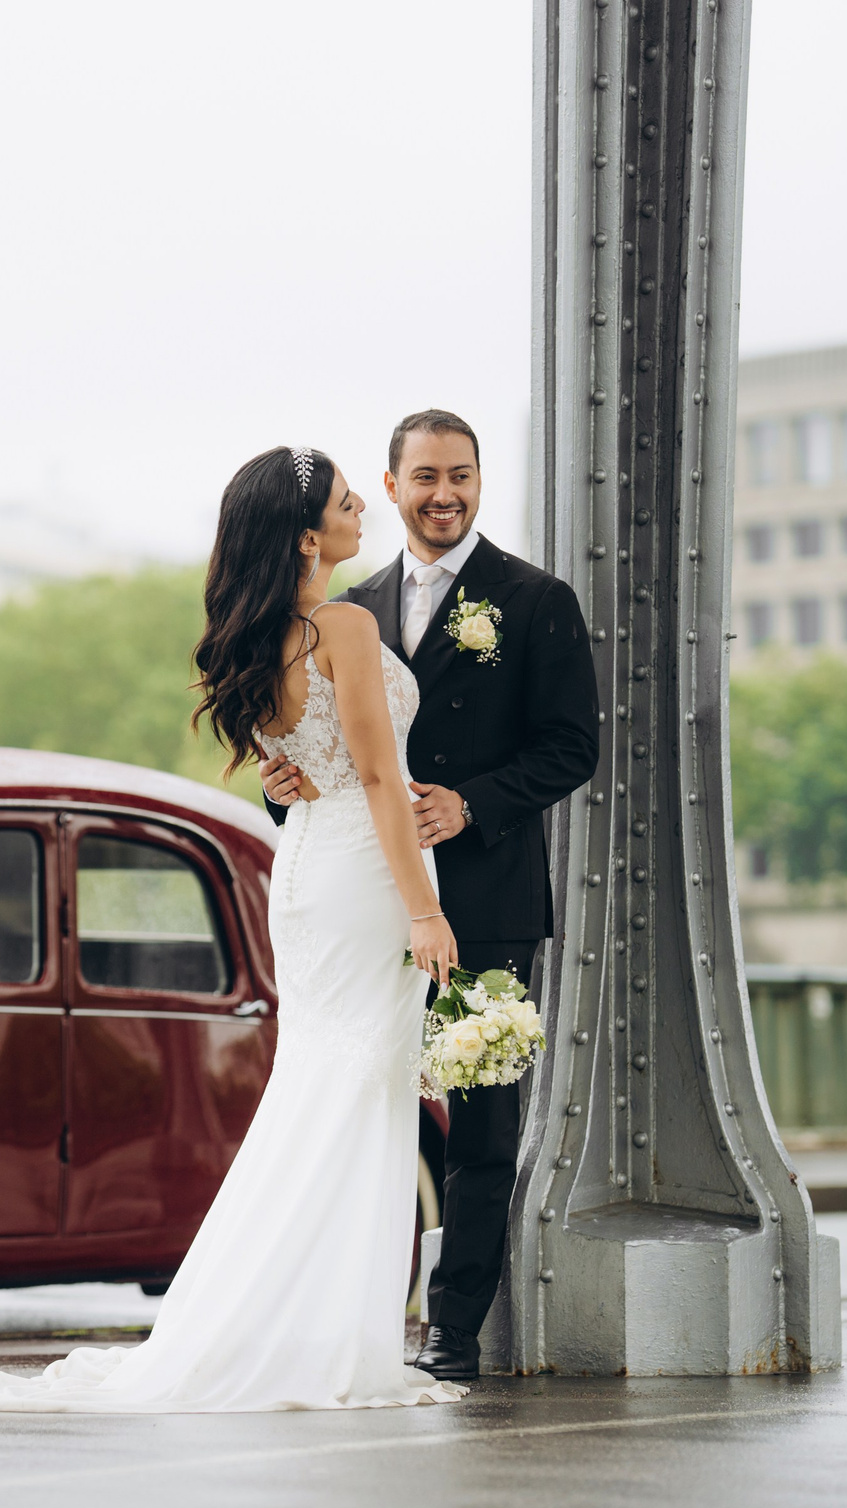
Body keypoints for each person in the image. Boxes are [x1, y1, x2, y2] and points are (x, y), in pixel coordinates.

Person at [0, 444, 465, 1413]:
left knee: (322, 1094)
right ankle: (332, 1340)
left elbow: (294, 765)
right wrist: (424, 908)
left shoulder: (259, 639)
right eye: (347, 502)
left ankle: (294, 1327)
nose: (361, 513)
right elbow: (380, 777)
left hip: (309, 870)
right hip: (359, 876)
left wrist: (292, 776)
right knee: (355, 1098)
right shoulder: (341, 626)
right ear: (308, 539)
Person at [260, 409, 598, 1381]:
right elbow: (325, 753)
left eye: (461, 475)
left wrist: (472, 802)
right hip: (371, 897)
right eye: (425, 477)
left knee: (482, 1122)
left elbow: (573, 746)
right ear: (393, 485)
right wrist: (281, 788)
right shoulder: (347, 601)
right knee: (365, 1101)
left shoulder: (534, 599)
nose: (444, 494)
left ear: (479, 481)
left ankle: (451, 1330)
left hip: (484, 893)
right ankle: (346, 1315)